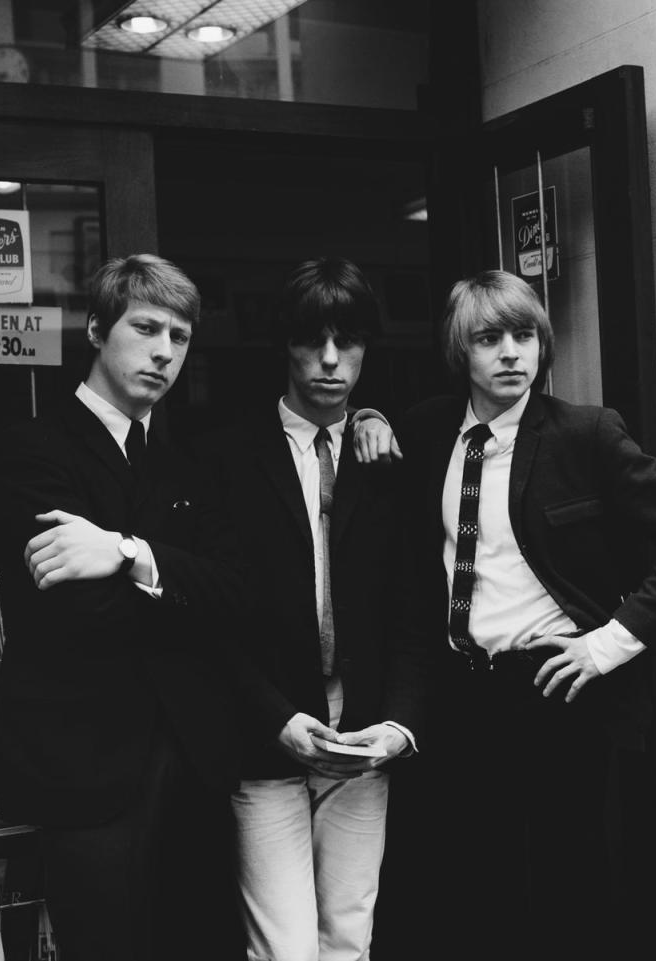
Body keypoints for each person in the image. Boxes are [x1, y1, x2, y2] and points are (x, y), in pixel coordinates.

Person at [394, 270, 656, 960]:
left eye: (525, 335)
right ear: (461, 350)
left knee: (573, 887)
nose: (511, 352)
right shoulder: (430, 429)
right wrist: (368, 422)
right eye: (490, 338)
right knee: (480, 887)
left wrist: (610, 642)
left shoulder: (585, 434)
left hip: (559, 689)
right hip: (465, 693)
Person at [0, 254, 243, 961]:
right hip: (86, 764)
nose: (164, 352)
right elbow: (72, 614)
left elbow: (234, 594)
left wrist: (128, 552)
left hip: (191, 758)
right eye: (147, 327)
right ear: (98, 329)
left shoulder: (187, 460)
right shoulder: (32, 448)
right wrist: (179, 585)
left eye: (181, 337)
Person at [213, 256, 432, 961]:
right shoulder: (232, 454)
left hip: (362, 740)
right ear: (285, 344)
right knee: (283, 949)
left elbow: (412, 609)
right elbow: (212, 615)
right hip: (269, 740)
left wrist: (399, 722)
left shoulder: (386, 459)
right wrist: (273, 716)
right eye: (314, 341)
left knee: (348, 937)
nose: (331, 360)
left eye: (350, 341)